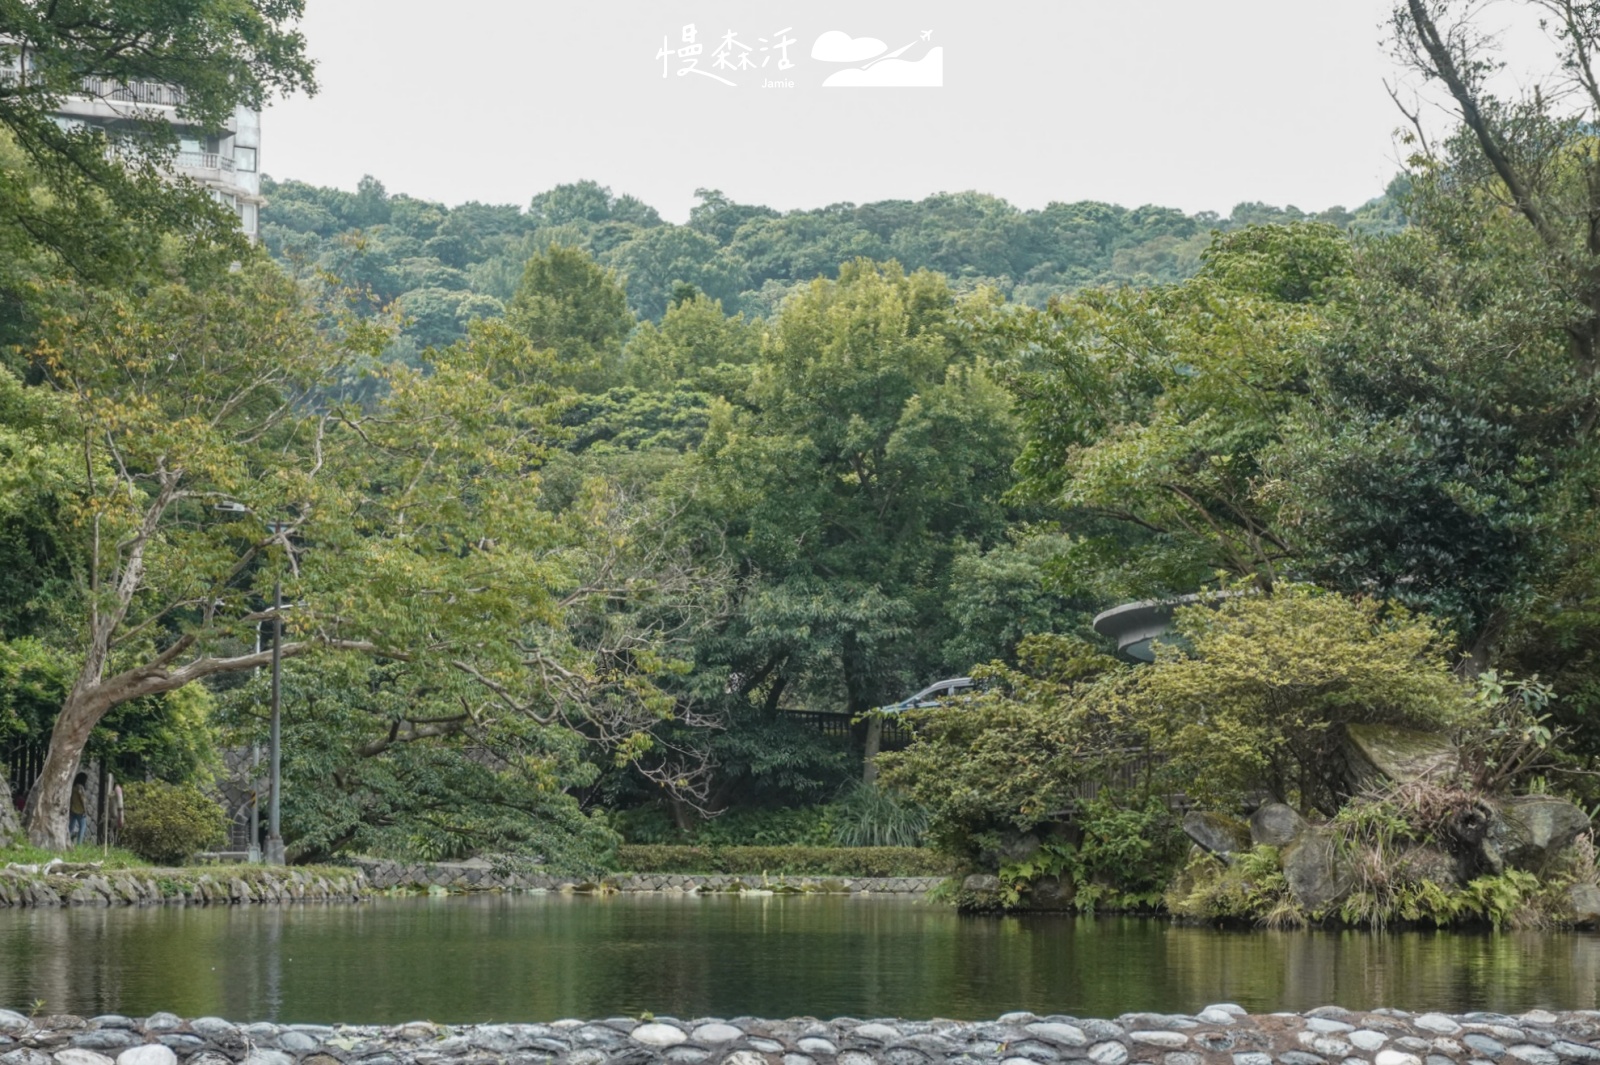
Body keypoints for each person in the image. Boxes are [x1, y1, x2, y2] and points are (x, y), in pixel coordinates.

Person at [69, 771, 88, 845]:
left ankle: (68, 841)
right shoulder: (80, 787)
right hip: (80, 811)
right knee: (82, 827)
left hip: (73, 809)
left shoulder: (73, 787)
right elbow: (82, 799)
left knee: (70, 827)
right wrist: (85, 810)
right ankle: (79, 844)